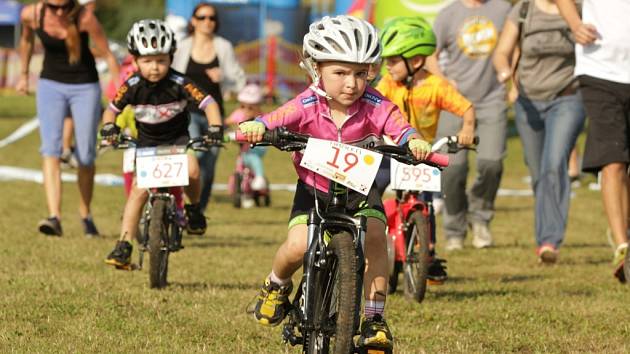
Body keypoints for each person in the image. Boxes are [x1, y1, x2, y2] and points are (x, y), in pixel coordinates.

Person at [241, 15, 432, 351]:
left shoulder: (375, 104)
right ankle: (275, 285)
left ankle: (374, 318)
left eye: (361, 73)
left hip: (359, 190)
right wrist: (257, 126)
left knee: (376, 238)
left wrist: (413, 140)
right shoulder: (308, 102)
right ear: (317, 69)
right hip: (314, 190)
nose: (352, 83)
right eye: (340, 72)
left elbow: (399, 124)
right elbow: (275, 118)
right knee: (297, 246)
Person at [101, 19, 223, 269]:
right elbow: (111, 110)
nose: (154, 67)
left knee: (193, 171)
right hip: (146, 145)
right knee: (136, 192)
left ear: (171, 58)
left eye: (161, 60)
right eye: (147, 61)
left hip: (178, 141)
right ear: (134, 60)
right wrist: (108, 127)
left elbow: (209, 103)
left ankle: (194, 209)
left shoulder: (180, 83)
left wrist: (215, 128)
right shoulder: (132, 86)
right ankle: (124, 244)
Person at [375, 16, 476, 283]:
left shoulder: (436, 86)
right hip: (391, 150)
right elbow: (372, 108)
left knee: (426, 204)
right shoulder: (387, 84)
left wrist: (467, 129)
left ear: (416, 62)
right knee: (371, 192)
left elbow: (466, 107)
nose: (388, 66)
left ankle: (426, 254)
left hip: (422, 155)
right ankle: (365, 241)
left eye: (393, 60)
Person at [493, 0, 586, 264]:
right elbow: (502, 52)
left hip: (568, 96)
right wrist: (503, 74)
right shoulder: (523, 10)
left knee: (553, 165)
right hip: (528, 102)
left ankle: (549, 240)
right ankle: (545, 233)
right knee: (537, 171)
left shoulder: (579, 9)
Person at [16, 0, 120, 238]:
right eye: (55, 7)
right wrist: (23, 75)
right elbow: (26, 40)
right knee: (50, 151)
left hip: (85, 86)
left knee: (85, 155)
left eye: (66, 6)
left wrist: (122, 94)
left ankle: (86, 215)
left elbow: (108, 55)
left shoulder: (85, 18)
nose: (61, 11)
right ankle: (55, 217)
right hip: (50, 84)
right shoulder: (31, 14)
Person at [427, 0, 511, 251]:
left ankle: (481, 216)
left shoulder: (503, 9)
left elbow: (514, 45)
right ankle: (454, 228)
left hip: (492, 101)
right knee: (452, 169)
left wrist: (510, 77)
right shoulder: (447, 14)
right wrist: (443, 82)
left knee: (491, 163)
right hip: (454, 103)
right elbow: (431, 55)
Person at [556, 0, 630, 282]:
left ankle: (626, 228)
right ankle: (622, 246)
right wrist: (575, 24)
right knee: (613, 161)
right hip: (600, 70)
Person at [172, 2, 246, 213]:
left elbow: (239, 80)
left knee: (210, 166)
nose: (207, 22)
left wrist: (223, 77)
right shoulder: (183, 46)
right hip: (189, 113)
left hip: (215, 114)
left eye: (212, 18)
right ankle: (184, 204)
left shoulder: (223, 46)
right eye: (202, 17)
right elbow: (172, 78)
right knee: (196, 155)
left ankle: (198, 210)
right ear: (193, 21)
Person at [225, 83, 268, 208]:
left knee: (251, 157)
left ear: (257, 106)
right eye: (243, 106)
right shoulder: (239, 114)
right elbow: (227, 122)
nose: (246, 110)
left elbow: (270, 126)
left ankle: (259, 178)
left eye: (250, 107)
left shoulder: (261, 118)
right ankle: (239, 189)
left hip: (257, 147)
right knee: (241, 162)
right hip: (242, 145)